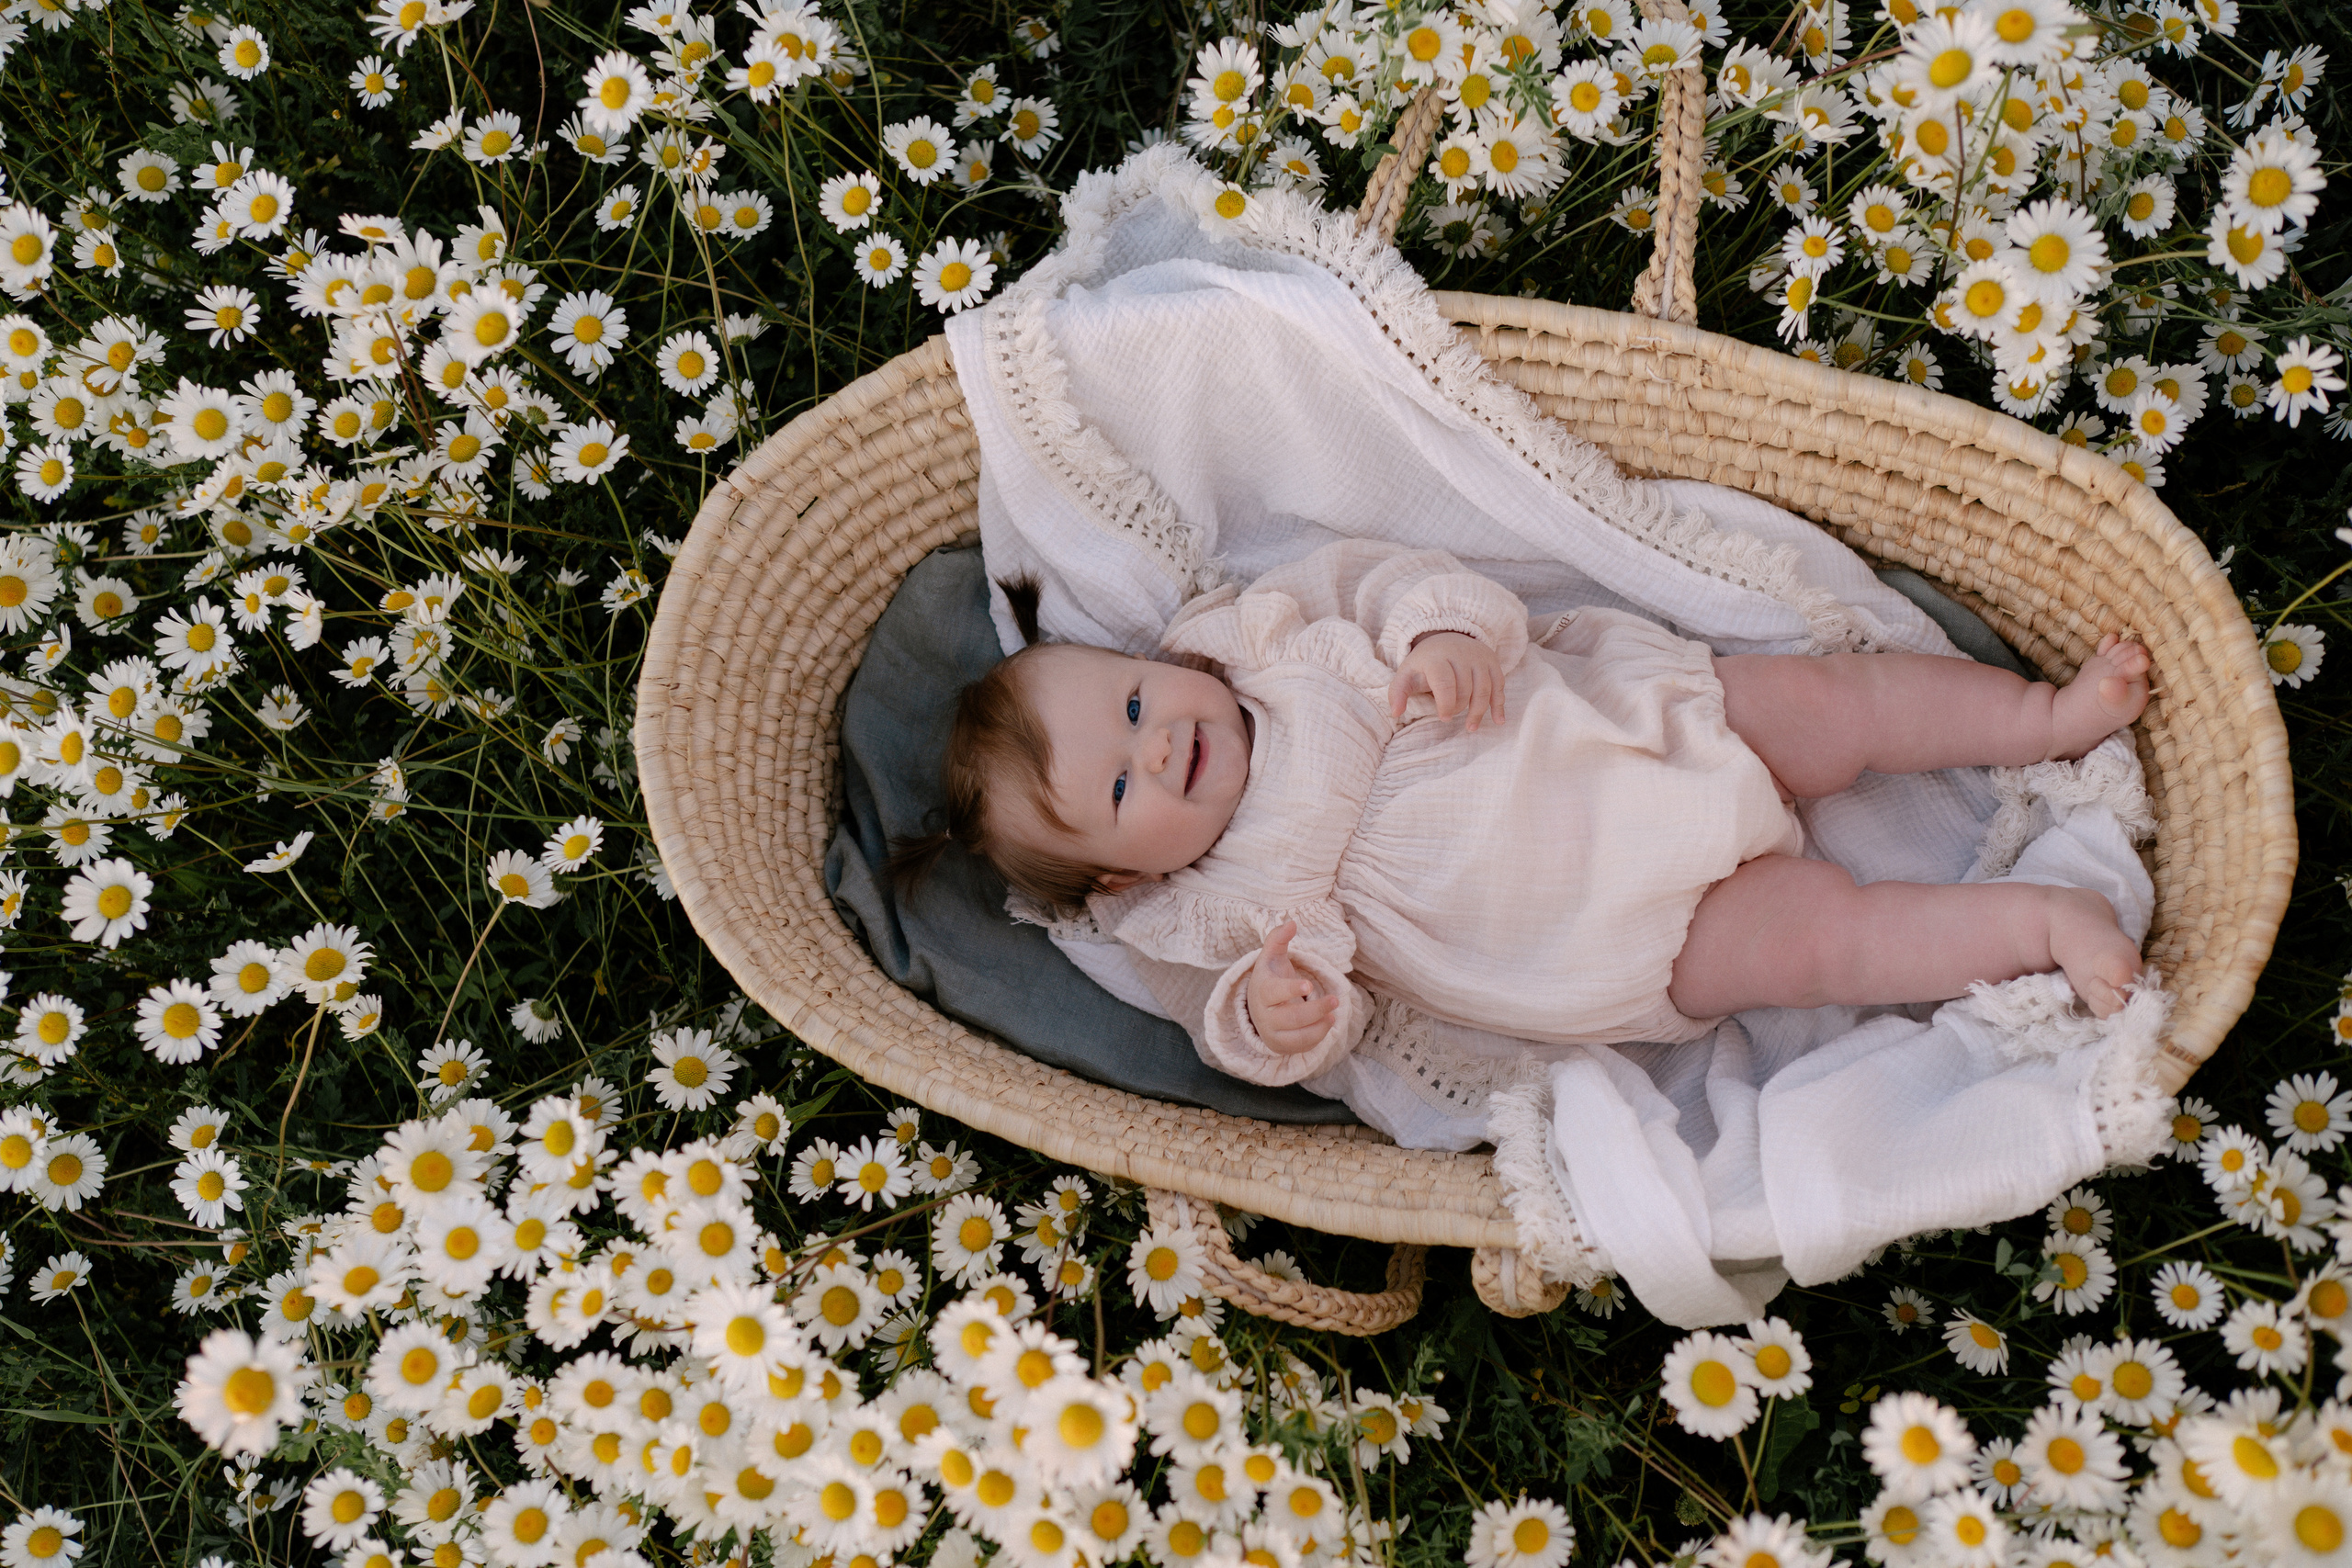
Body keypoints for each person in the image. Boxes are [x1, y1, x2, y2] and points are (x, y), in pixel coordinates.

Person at [890, 539, 2151, 1088]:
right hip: (1608, 933)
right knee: (1829, 942)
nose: (1156, 742)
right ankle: (2040, 921)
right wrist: (1284, 1012)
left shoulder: (1266, 643)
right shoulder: (1210, 914)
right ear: (1121, 882)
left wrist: (1443, 634)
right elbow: (1251, 1030)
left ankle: (2038, 720)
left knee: (1828, 703)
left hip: (1612, 728)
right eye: (1120, 791)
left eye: (1126, 703)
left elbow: (1401, 579)